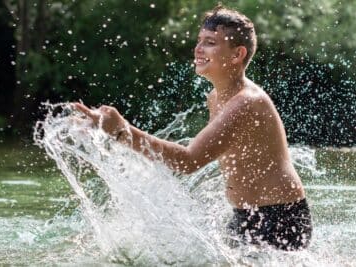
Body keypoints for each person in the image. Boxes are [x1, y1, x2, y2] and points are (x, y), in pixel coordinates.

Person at [74, 5, 312, 251]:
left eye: (210, 42)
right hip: (244, 216)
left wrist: (122, 131)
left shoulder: (247, 102)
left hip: (280, 220)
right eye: (199, 41)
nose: (198, 49)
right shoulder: (216, 98)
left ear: (237, 54)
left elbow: (188, 161)